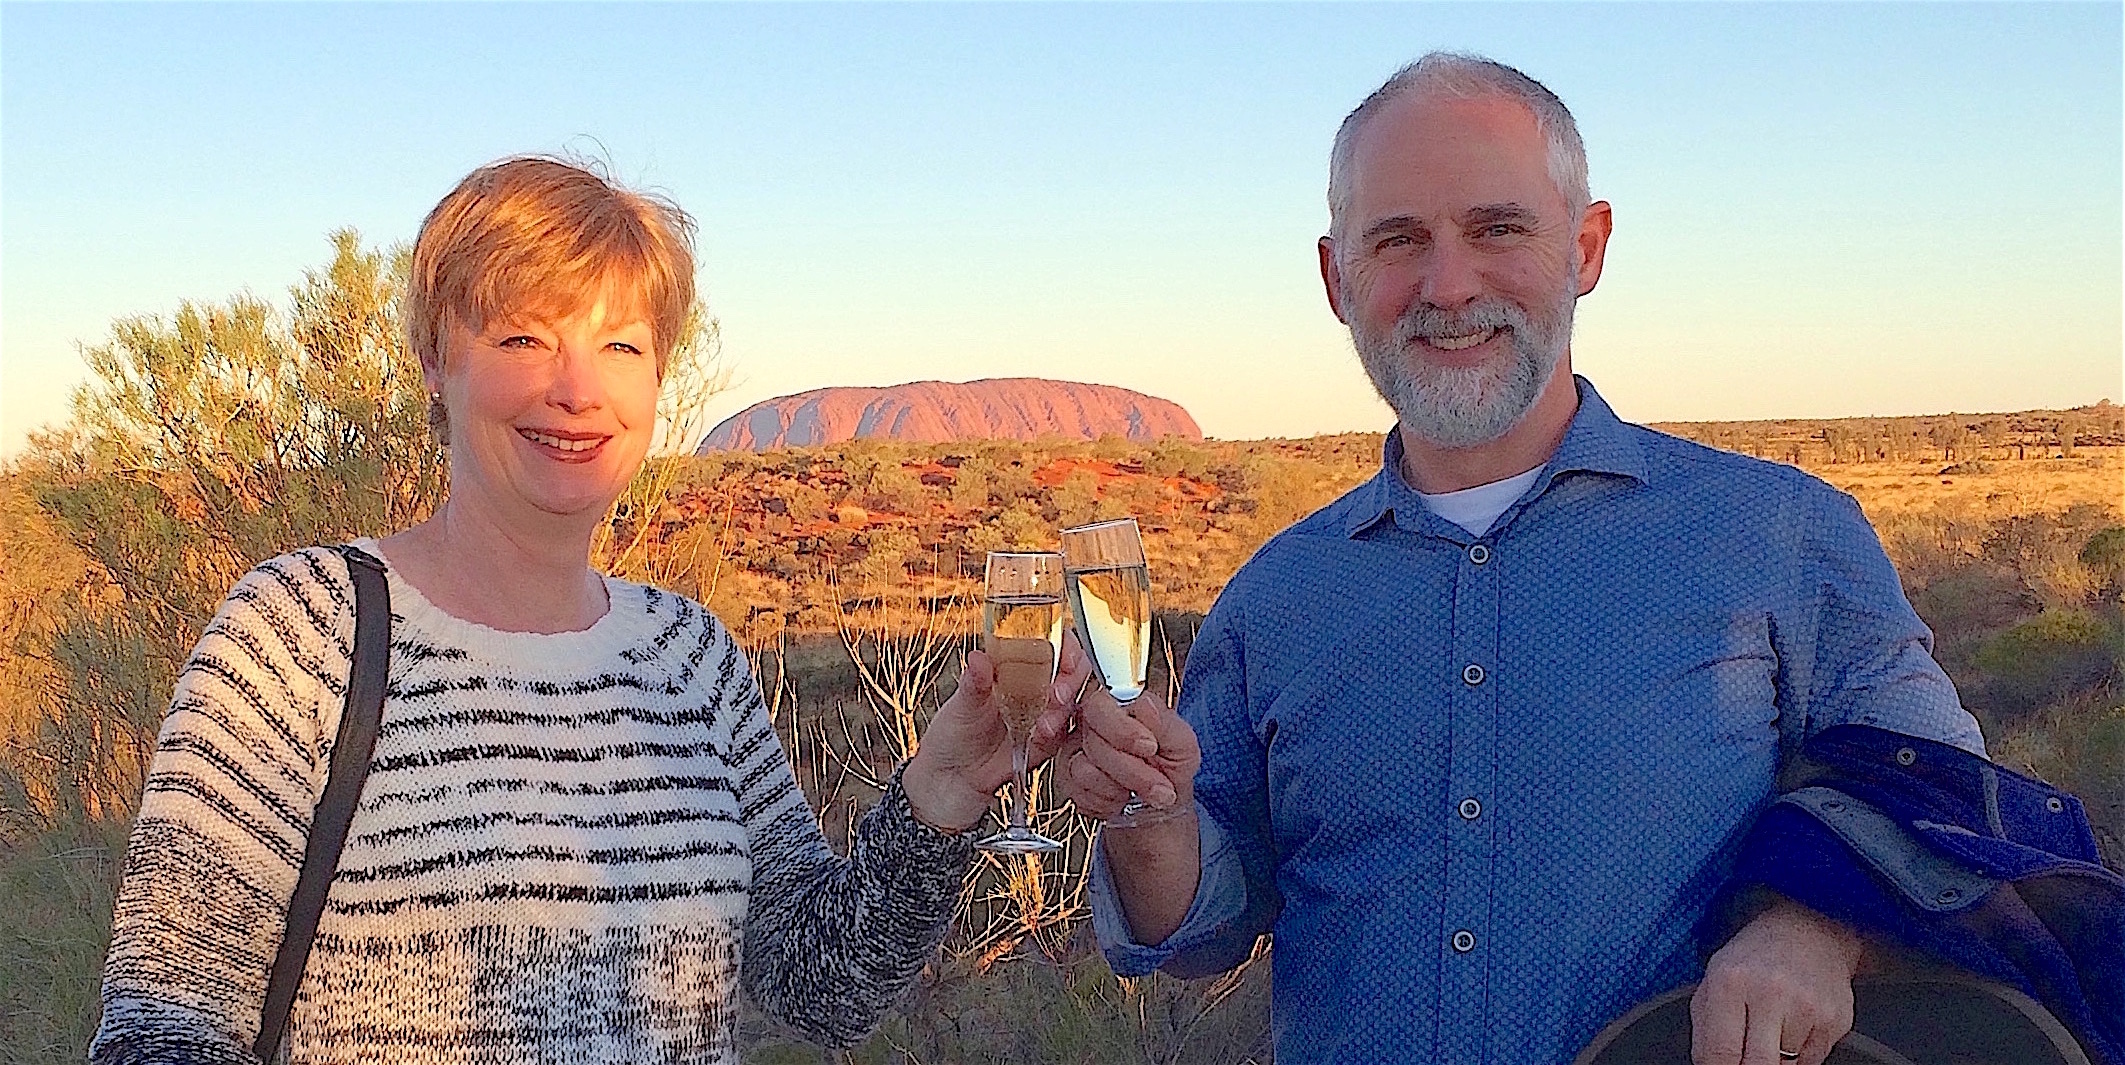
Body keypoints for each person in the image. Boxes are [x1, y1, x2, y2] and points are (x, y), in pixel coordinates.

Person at [1058, 53, 1989, 1065]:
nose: (1449, 286)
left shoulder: (1781, 535)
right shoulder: (1275, 597)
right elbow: (1200, 933)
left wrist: (1815, 927)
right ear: (1336, 280)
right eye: (1397, 240)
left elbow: (1939, 792)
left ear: (1585, 248)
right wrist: (1147, 818)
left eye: (1497, 229)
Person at [90, 157, 1085, 1065]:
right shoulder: (302, 634)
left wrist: (940, 793)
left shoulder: (691, 657)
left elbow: (820, 986)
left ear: (656, 377)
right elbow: (162, 1029)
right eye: (524, 337)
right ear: (436, 360)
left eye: (619, 344)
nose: (576, 389)